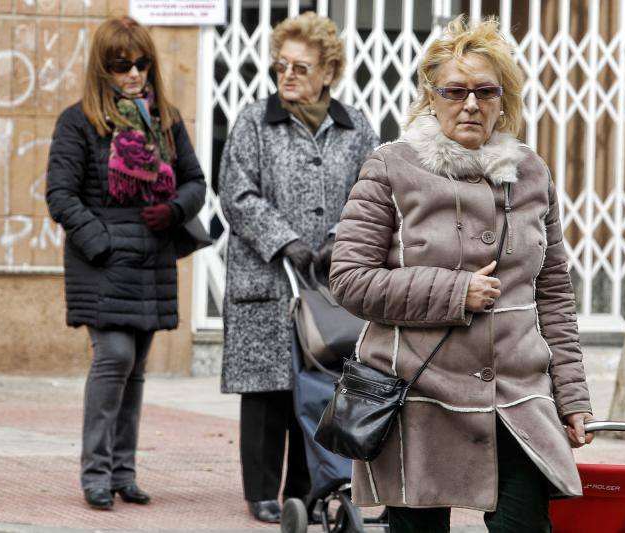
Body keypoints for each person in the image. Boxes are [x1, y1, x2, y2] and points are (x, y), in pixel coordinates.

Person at [329, 16, 594, 533]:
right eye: (455, 90)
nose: (470, 104)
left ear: (504, 98)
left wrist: (572, 397)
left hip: (516, 398)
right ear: (432, 96)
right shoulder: (390, 167)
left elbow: (555, 295)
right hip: (418, 395)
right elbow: (349, 279)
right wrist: (454, 291)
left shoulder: (533, 173)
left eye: (485, 91)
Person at [218, 11, 379, 524]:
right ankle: (262, 491)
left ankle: (307, 489)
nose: (287, 75)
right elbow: (236, 193)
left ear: (327, 72)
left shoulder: (356, 129)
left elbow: (370, 195)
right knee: (266, 390)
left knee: (319, 383)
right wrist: (284, 240)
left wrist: (339, 239)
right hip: (266, 277)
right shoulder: (252, 121)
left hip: (328, 280)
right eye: (281, 65)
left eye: (301, 67)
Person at [46, 16, 206, 511]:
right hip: (104, 262)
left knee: (135, 369)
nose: (133, 73)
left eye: (141, 64)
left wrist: (175, 209)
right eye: (121, 65)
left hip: (151, 262)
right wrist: (103, 242)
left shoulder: (166, 120)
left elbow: (195, 182)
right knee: (113, 357)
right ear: (103, 69)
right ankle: (95, 474)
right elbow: (60, 195)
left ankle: (123, 472)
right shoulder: (80, 122)